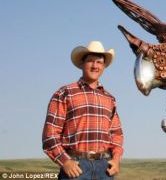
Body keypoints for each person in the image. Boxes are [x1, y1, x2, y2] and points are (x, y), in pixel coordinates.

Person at [42, 41, 123, 179]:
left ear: (103, 66)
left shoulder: (109, 99)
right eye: (90, 61)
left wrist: (115, 159)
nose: (95, 66)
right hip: (76, 168)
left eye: (99, 62)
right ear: (82, 64)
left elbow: (116, 134)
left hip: (105, 168)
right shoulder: (65, 93)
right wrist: (65, 161)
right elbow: (50, 135)